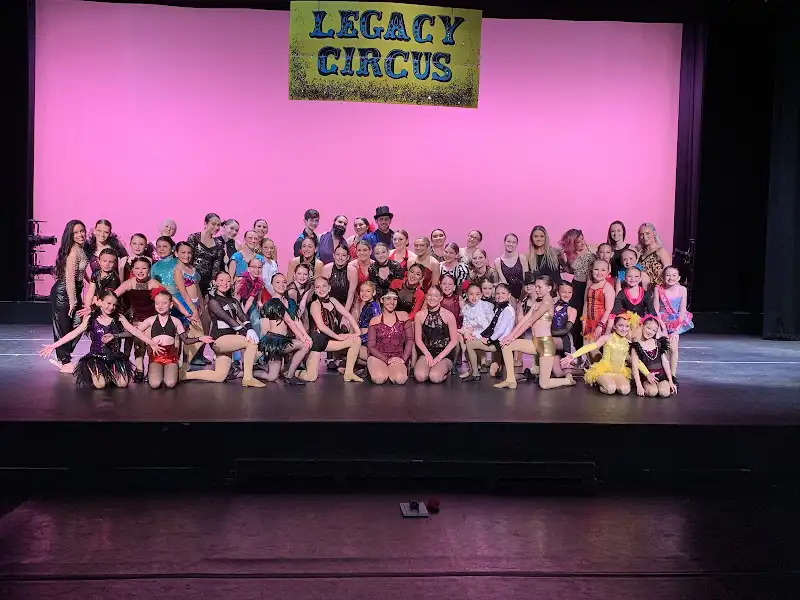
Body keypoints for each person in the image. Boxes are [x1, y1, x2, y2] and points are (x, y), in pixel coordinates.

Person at [40, 291, 163, 389]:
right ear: (99, 302)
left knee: (122, 384)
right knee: (100, 385)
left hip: (114, 357)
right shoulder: (91, 318)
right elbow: (73, 334)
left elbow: (134, 331)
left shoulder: (119, 317)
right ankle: (97, 374)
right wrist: (54, 345)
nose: (111, 307)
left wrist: (151, 342)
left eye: (114, 304)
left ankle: (109, 373)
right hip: (96, 357)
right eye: (108, 303)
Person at [181, 272, 265, 388]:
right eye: (221, 280)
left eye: (228, 281)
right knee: (251, 342)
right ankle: (248, 378)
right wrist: (245, 332)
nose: (225, 283)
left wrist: (250, 328)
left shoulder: (234, 301)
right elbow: (228, 319)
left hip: (228, 341)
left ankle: (184, 375)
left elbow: (242, 315)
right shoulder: (213, 302)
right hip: (219, 340)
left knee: (219, 376)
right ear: (215, 282)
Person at [494, 275, 577, 390]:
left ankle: (567, 380)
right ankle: (510, 380)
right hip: (535, 342)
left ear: (549, 288)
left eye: (539, 287)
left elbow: (530, 322)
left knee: (544, 384)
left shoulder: (547, 303)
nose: (536, 289)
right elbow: (524, 319)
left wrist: (512, 336)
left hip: (546, 345)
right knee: (506, 345)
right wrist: (510, 336)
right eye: (536, 286)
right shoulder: (538, 301)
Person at [137, 289, 213, 389]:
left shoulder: (176, 321)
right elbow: (135, 331)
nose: (160, 306)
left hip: (170, 357)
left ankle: (171, 371)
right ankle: (157, 371)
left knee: (170, 383)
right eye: (157, 303)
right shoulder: (150, 320)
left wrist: (200, 338)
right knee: (155, 384)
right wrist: (149, 342)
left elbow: (186, 340)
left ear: (171, 305)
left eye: (164, 303)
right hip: (156, 357)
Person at [561, 313, 650, 395]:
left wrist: (647, 373)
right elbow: (591, 346)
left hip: (618, 372)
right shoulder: (607, 338)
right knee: (610, 389)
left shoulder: (628, 343)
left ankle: (611, 382)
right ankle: (601, 383)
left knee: (625, 390)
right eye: (620, 325)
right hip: (604, 371)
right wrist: (573, 355)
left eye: (627, 326)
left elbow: (636, 361)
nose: (624, 329)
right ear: (614, 326)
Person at [299, 277, 364, 383]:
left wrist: (357, 331)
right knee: (311, 377)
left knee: (356, 340)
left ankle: (349, 373)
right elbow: (321, 326)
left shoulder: (333, 300)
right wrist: (338, 337)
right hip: (318, 341)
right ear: (315, 290)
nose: (321, 289)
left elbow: (347, 315)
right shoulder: (315, 304)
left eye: (324, 286)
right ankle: (293, 372)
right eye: (318, 287)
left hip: (331, 338)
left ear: (329, 288)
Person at [113, 257, 162, 382]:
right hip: (135, 319)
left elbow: (168, 297)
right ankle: (139, 370)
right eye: (137, 268)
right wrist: (94, 306)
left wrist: (187, 311)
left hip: (152, 319)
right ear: (133, 270)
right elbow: (112, 296)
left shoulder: (154, 283)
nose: (140, 271)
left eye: (144, 268)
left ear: (149, 270)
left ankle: (152, 369)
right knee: (138, 345)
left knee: (151, 345)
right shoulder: (129, 283)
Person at [49, 220, 89, 373]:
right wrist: (73, 301)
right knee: (63, 327)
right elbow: (70, 279)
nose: (80, 235)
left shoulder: (81, 249)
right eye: (76, 232)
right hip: (64, 293)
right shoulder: (73, 251)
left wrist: (90, 280)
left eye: (82, 231)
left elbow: (81, 270)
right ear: (70, 235)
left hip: (73, 291)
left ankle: (64, 354)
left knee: (80, 323)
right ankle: (64, 360)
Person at [258, 290, 313, 386]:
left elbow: (295, 319)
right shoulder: (274, 302)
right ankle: (289, 375)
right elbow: (290, 322)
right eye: (278, 283)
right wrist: (303, 338)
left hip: (281, 340)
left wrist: (305, 335)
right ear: (272, 285)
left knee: (272, 376)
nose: (281, 285)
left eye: (284, 283)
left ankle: (288, 374)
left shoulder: (288, 302)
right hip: (276, 342)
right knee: (304, 345)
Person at [463, 283, 516, 382]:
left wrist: (489, 340)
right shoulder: (499, 308)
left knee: (507, 376)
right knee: (469, 343)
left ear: (509, 295)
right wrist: (480, 336)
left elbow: (500, 331)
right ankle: (475, 373)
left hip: (500, 343)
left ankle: (476, 372)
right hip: (495, 340)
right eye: (497, 293)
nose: (499, 296)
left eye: (503, 293)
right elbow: (492, 326)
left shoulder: (507, 310)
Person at [366, 290, 414, 385]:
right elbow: (371, 346)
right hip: (379, 357)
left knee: (400, 379)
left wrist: (403, 359)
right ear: (382, 300)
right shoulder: (374, 321)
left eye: (394, 299)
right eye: (388, 298)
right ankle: (380, 370)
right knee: (379, 378)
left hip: (397, 357)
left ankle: (391, 371)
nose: (392, 302)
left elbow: (410, 339)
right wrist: (386, 360)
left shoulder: (403, 316)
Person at [413, 285, 459, 384]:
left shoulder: (449, 315)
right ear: (426, 296)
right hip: (427, 352)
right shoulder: (419, 315)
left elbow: (454, 341)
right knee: (420, 377)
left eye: (435, 296)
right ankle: (429, 368)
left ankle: (445, 371)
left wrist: (439, 357)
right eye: (429, 295)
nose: (432, 298)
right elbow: (418, 340)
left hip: (444, 354)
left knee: (435, 377)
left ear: (441, 298)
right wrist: (427, 354)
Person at [654, 265, 693, 377]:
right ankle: (663, 374)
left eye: (674, 275)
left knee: (674, 348)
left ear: (679, 277)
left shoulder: (682, 290)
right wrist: (662, 327)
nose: (671, 278)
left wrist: (676, 329)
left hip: (675, 322)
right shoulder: (658, 289)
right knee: (663, 348)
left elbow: (682, 310)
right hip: (661, 322)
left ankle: (673, 375)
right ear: (663, 277)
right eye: (668, 275)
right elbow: (656, 309)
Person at [559, 228, 595, 348]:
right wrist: (564, 263)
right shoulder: (568, 254)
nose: (582, 242)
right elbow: (571, 270)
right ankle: (577, 348)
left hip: (591, 285)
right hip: (577, 286)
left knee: (589, 316)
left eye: (582, 239)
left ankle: (591, 348)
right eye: (578, 241)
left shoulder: (592, 249)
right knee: (575, 318)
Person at [631, 316, 677, 397]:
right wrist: (639, 385)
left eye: (654, 330)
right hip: (647, 377)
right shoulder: (636, 346)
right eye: (648, 328)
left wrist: (670, 380)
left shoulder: (658, 343)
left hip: (661, 375)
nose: (650, 332)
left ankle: (663, 384)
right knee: (652, 392)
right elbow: (634, 366)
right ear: (642, 326)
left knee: (664, 393)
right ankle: (647, 386)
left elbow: (665, 363)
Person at [611, 267, 660, 341]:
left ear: (640, 279)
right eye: (629, 276)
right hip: (627, 325)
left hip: (641, 324)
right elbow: (615, 311)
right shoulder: (621, 294)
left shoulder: (646, 294)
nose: (633, 279)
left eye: (636, 276)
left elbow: (652, 311)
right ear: (625, 278)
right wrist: (609, 328)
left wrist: (659, 327)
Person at [458, 283, 495, 378]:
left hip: (485, 334)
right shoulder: (467, 308)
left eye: (477, 294)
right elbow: (466, 323)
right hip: (473, 333)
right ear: (467, 294)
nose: (474, 297)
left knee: (468, 340)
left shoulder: (486, 306)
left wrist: (474, 334)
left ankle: (480, 363)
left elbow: (489, 326)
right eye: (471, 294)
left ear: (481, 295)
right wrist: (467, 332)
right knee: (462, 338)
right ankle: (472, 367)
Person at [186, 213, 224, 295]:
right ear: (205, 223)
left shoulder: (218, 243)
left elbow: (216, 264)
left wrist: (213, 279)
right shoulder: (194, 237)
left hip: (208, 280)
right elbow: (187, 257)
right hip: (192, 278)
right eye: (213, 224)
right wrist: (190, 275)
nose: (216, 227)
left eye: (218, 225)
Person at [78, 248, 121, 316]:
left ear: (115, 263)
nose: (107, 264)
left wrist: (92, 308)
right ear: (99, 260)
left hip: (109, 306)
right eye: (104, 261)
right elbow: (90, 293)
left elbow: (107, 299)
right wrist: (87, 308)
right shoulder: (96, 273)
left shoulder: (114, 278)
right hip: (98, 302)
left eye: (110, 262)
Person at [582, 259, 615, 345]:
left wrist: (600, 326)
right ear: (591, 270)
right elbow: (586, 304)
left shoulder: (607, 287)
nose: (599, 272)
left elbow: (609, 309)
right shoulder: (589, 285)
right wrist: (583, 321)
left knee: (594, 348)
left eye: (603, 270)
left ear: (608, 272)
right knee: (586, 347)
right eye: (596, 269)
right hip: (589, 322)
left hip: (601, 323)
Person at [495, 233, 529, 301]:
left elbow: (526, 280)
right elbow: (504, 283)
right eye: (508, 241)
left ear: (516, 244)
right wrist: (510, 299)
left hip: (523, 294)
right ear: (504, 242)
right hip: (508, 297)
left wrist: (521, 299)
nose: (511, 244)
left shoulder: (522, 258)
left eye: (514, 242)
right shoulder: (498, 261)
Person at [323, 245, 358, 311]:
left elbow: (351, 295)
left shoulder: (352, 271)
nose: (340, 258)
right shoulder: (326, 268)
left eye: (343, 255)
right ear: (333, 255)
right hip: (329, 305)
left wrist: (345, 313)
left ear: (348, 257)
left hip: (347, 305)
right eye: (337, 254)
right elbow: (323, 292)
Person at [637, 223, 671, 287]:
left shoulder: (661, 251)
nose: (644, 237)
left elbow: (669, 272)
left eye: (647, 233)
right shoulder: (640, 253)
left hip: (658, 288)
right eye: (641, 234)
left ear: (654, 233)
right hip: (642, 289)